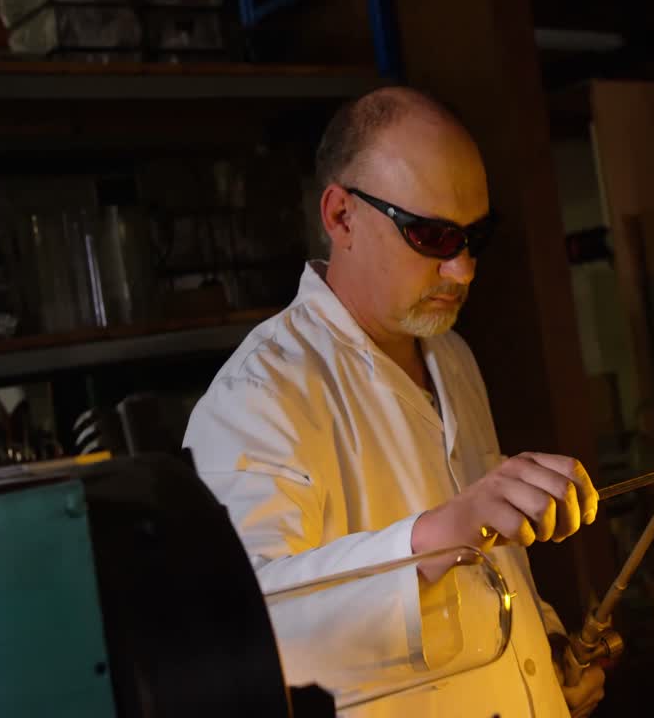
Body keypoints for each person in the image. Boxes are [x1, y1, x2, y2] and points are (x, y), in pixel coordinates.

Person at [183, 86, 606, 718]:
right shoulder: (259, 394)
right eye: (432, 235)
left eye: (474, 236)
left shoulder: (451, 356)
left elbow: (489, 569)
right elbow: (242, 631)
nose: (463, 270)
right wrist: (434, 535)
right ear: (341, 216)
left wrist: (540, 648)